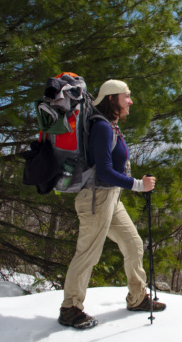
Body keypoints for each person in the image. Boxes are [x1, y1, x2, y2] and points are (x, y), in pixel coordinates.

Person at [58, 79, 166, 330]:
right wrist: (138, 185)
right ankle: (70, 309)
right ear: (111, 99)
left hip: (109, 197)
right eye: (126, 96)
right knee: (88, 254)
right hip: (96, 198)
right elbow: (105, 171)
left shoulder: (110, 126)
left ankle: (137, 297)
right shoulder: (102, 127)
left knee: (133, 243)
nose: (131, 101)